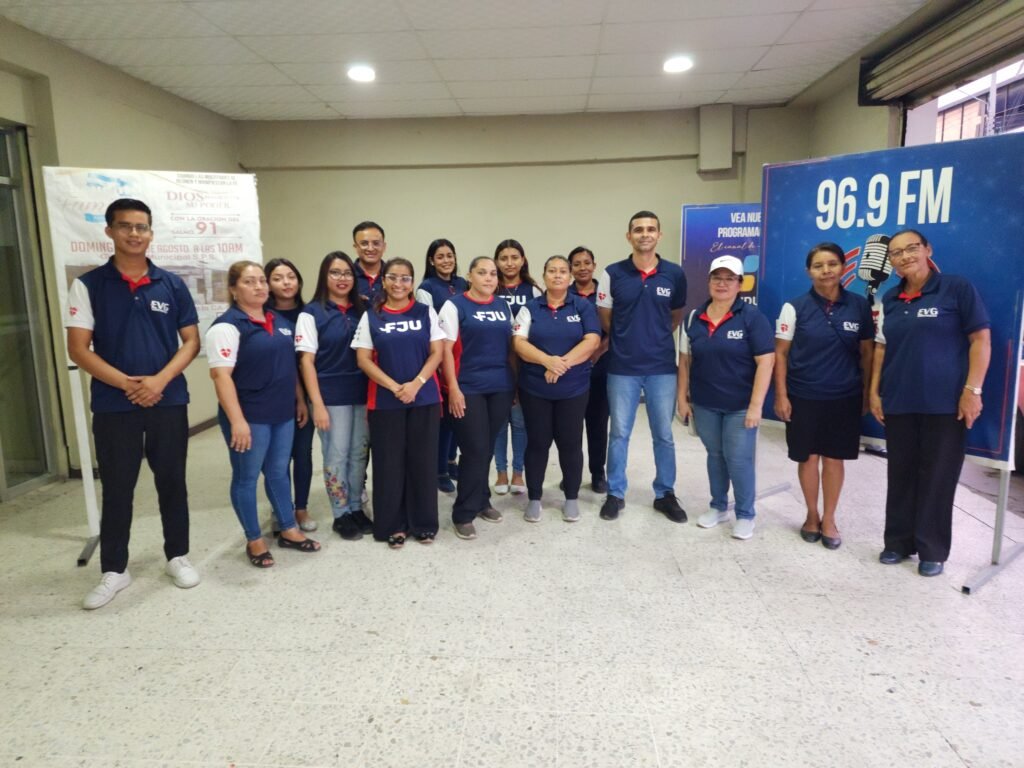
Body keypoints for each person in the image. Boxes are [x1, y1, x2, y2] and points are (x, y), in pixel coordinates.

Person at [66, 198, 201, 610]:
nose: (134, 233)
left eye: (141, 227)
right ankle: (114, 569)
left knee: (172, 481)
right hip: (114, 404)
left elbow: (191, 341)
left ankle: (177, 556)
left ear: (151, 233)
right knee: (118, 487)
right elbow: (78, 349)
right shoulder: (89, 285)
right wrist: (127, 384)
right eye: (125, 226)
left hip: (168, 399)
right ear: (109, 231)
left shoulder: (171, 284)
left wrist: (159, 380)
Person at [869, 230, 990, 577]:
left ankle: (932, 549)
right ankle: (897, 542)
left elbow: (981, 340)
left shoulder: (956, 288)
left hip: (945, 405)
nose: (905, 256)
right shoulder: (890, 298)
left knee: (938, 477)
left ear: (927, 250)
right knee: (900, 474)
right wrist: (875, 392)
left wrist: (973, 390)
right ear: (891, 262)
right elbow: (882, 348)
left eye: (911, 248)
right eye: (896, 253)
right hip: (899, 401)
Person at [206, 261, 321, 567]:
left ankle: (288, 528)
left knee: (278, 472)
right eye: (249, 281)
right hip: (249, 416)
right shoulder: (227, 326)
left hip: (282, 413)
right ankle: (254, 539)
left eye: (261, 280)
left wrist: (299, 400)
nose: (258, 286)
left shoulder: (278, 320)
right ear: (234, 289)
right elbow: (220, 376)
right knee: (246, 477)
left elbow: (289, 366)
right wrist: (237, 421)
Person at [774, 243, 874, 550]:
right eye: (818, 266)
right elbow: (781, 353)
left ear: (843, 267)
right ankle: (811, 515)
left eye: (832, 264)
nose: (826, 270)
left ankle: (829, 519)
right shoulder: (794, 307)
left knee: (834, 459)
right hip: (803, 395)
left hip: (844, 397)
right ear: (809, 271)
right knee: (808, 457)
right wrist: (781, 395)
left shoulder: (859, 306)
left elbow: (867, 353)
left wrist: (867, 393)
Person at [596, 211, 688, 523]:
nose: (644, 234)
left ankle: (665, 494)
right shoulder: (612, 273)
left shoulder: (674, 274)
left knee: (664, 434)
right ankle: (615, 493)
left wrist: (653, 337)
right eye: (638, 229)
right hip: (622, 367)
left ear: (659, 235)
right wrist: (627, 338)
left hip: (661, 367)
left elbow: (675, 316)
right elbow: (605, 317)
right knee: (619, 433)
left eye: (650, 229)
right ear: (629, 236)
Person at [677, 255, 774, 540]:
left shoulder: (752, 318)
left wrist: (756, 406)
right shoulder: (694, 318)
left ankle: (745, 514)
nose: (722, 283)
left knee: (739, 460)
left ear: (740, 284)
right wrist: (682, 399)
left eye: (729, 279)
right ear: (709, 281)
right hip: (705, 403)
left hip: (740, 406)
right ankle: (718, 506)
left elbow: (766, 362)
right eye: (717, 278)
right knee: (715, 455)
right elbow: (685, 362)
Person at [353, 257, 446, 548]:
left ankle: (423, 523)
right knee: (389, 464)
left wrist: (416, 383)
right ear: (383, 280)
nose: (398, 283)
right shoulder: (372, 316)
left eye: (405, 278)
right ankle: (392, 525)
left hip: (424, 398)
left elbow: (437, 353)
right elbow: (363, 359)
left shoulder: (425, 312)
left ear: (412, 282)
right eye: (392, 277)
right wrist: (395, 387)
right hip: (385, 402)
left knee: (423, 462)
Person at [513, 256, 601, 522]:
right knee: (537, 443)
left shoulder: (582, 306)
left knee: (570, 443)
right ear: (544, 276)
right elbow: (519, 342)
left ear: (570, 276)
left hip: (573, 389)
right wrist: (546, 361)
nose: (558, 275)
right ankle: (535, 498)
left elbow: (592, 340)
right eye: (552, 271)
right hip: (535, 389)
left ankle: (571, 497)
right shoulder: (530, 307)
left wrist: (561, 365)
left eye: (563, 271)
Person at [296, 251, 372, 541]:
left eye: (347, 273)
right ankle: (341, 514)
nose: (342, 278)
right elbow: (306, 362)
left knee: (358, 454)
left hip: (362, 393)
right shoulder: (311, 313)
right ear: (324, 276)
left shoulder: (362, 310)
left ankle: (356, 508)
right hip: (330, 396)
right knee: (336, 455)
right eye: (335, 273)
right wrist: (317, 404)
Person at [438, 256, 515, 539]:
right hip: (467, 387)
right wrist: (453, 388)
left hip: (500, 386)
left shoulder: (502, 305)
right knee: (475, 448)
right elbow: (445, 350)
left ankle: (482, 500)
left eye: (493, 273)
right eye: (482, 273)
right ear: (469, 276)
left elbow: (510, 347)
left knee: (486, 447)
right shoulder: (455, 305)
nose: (488, 278)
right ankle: (463, 512)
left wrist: (515, 385)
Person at [264, 258, 316, 533]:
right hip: (273, 396)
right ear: (268, 284)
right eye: (277, 278)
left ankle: (301, 508)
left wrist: (305, 399)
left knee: (303, 453)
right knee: (277, 458)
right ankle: (280, 508)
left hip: (306, 395)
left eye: (291, 276)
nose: (286, 282)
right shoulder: (262, 315)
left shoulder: (310, 313)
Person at [416, 238, 469, 493]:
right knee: (445, 418)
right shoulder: (426, 288)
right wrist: (436, 360)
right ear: (431, 260)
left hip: (462, 357)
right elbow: (428, 325)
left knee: (460, 413)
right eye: (440, 256)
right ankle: (439, 470)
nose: (446, 260)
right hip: (440, 357)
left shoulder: (463, 284)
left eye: (450, 255)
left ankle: (451, 460)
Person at [492, 239, 540, 495]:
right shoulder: (489, 287)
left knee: (520, 422)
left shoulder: (534, 291)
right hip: (495, 365)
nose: (509, 263)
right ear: (496, 262)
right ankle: (501, 472)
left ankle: (518, 472)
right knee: (499, 422)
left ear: (523, 260)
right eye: (503, 258)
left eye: (514, 257)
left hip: (525, 365)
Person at [569, 246, 610, 493]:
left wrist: (596, 352)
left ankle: (597, 473)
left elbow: (616, 329)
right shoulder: (563, 294)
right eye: (577, 264)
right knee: (570, 427)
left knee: (597, 424)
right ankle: (571, 474)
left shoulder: (605, 294)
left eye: (587, 263)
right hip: (571, 371)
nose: (582, 268)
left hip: (600, 367)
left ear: (594, 265)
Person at [352, 220, 387, 303]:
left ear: (384, 246)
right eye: (364, 243)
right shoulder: (345, 277)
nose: (370, 249)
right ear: (355, 247)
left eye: (376, 243)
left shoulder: (394, 276)